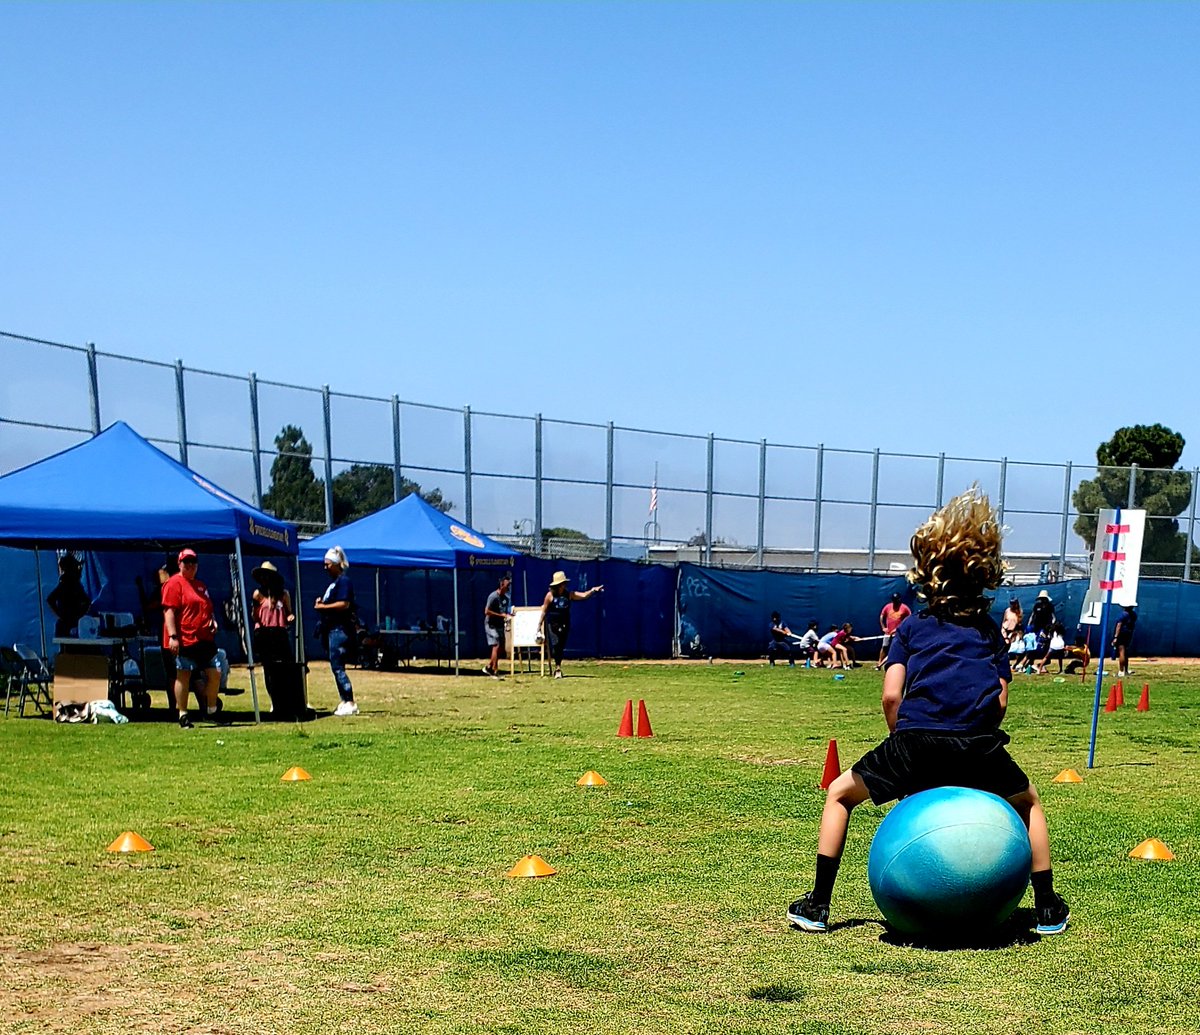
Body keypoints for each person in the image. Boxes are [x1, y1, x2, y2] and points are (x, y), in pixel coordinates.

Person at [786, 487, 1069, 938]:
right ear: (984, 578)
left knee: (839, 795)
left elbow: (891, 696)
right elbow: (999, 698)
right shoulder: (988, 631)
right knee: (1030, 803)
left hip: (914, 742)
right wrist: (974, 734)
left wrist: (903, 742)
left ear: (928, 578)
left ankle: (818, 906)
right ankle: (1048, 908)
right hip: (978, 744)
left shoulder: (912, 628)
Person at [161, 548, 227, 729]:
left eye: (193, 562)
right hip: (185, 638)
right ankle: (183, 714)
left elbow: (207, 608)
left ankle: (211, 709)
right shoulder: (174, 584)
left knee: (215, 672)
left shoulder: (201, 586)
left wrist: (213, 621)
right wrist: (173, 636)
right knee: (183, 675)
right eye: (186, 562)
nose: (190, 565)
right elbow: (169, 612)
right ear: (179, 564)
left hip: (204, 639)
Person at [314, 546, 358, 716]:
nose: (325, 567)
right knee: (335, 666)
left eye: (328, 564)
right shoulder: (333, 584)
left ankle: (350, 701)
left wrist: (323, 607)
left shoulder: (344, 581)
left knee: (338, 666)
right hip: (331, 629)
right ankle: (344, 699)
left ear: (336, 564)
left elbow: (344, 604)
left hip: (340, 630)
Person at [538, 571, 604, 678]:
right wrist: (539, 625)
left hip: (565, 624)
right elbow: (544, 610)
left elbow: (582, 595)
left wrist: (593, 591)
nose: (564, 585)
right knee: (555, 645)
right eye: (562, 583)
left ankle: (558, 666)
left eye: (564, 583)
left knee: (561, 646)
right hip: (553, 624)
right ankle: (557, 668)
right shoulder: (549, 596)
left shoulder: (568, 595)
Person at [251, 560, 296, 712]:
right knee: (268, 670)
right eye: (263, 576)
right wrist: (254, 608)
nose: (265, 579)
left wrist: (290, 617)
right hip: (264, 633)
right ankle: (274, 701)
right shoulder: (257, 594)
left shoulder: (283, 594)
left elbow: (289, 613)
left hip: (279, 633)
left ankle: (286, 700)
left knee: (284, 668)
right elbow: (255, 617)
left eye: (267, 576)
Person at [46, 553, 92, 638]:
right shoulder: (69, 583)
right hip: (68, 624)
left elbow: (50, 599)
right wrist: (78, 615)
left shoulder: (70, 583)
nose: (79, 570)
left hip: (68, 623)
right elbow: (50, 599)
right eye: (76, 567)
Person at [483, 572, 513, 679]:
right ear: (501, 585)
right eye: (507, 585)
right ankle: (495, 670)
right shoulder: (493, 596)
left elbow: (505, 611)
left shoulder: (506, 598)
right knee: (495, 644)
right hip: (491, 624)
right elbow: (486, 611)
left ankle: (489, 666)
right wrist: (500, 615)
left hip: (500, 624)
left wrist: (509, 615)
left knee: (500, 647)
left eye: (509, 585)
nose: (508, 587)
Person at [876, 594, 912, 670]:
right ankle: (879, 663)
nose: (896, 603)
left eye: (897, 601)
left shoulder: (904, 608)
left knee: (895, 648)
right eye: (894, 601)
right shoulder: (888, 606)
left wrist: (899, 629)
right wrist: (883, 627)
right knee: (884, 647)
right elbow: (882, 616)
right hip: (888, 633)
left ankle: (892, 663)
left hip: (898, 633)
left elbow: (909, 618)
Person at [1112, 604, 1137, 677]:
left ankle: (1121, 671)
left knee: (1121, 651)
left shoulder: (1123, 615)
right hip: (1129, 633)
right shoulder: (1133, 615)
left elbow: (1119, 625)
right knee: (1125, 652)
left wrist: (1116, 637)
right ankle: (1125, 670)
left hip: (1122, 634)